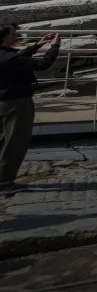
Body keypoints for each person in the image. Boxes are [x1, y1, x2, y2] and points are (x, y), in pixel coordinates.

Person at [0, 25, 60, 192]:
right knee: (15, 142)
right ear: (5, 37)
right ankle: (5, 182)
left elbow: (15, 58)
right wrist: (55, 47)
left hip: (3, 101)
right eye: (13, 33)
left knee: (3, 139)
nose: (16, 35)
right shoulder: (11, 58)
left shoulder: (7, 56)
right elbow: (43, 64)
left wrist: (37, 46)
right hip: (16, 102)